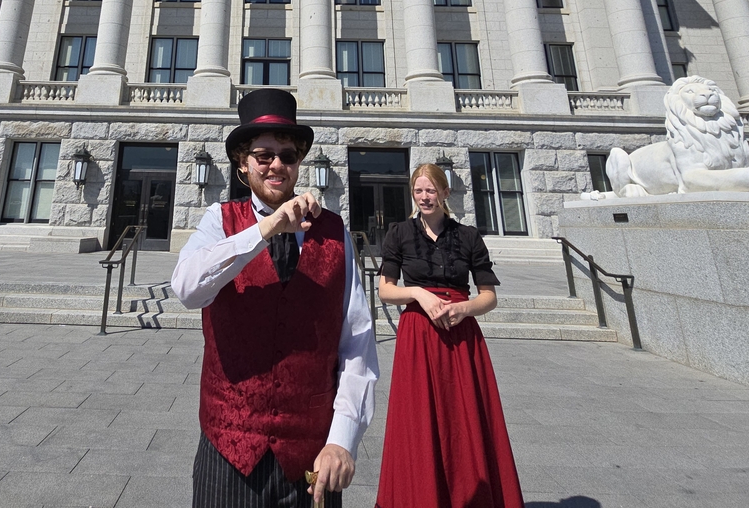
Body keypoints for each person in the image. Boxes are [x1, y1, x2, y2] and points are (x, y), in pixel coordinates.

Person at [172, 89, 379, 508]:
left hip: (310, 457)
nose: (277, 165)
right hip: (229, 450)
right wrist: (264, 232)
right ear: (243, 163)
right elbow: (187, 289)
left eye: (288, 155)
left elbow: (357, 341)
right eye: (264, 155)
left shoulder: (334, 231)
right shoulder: (220, 221)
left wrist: (342, 440)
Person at [375, 163, 524, 508]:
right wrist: (419, 294)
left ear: (444, 193)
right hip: (418, 335)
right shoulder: (399, 233)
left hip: (460, 336)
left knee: (465, 420)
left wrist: (465, 308)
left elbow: (489, 296)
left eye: (430, 190)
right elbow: (386, 290)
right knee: (418, 420)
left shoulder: (469, 236)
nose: (424, 197)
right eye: (418, 191)